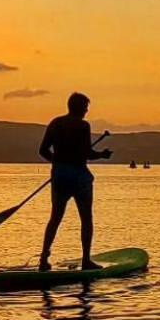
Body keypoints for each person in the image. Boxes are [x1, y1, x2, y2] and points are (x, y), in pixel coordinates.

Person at [38, 92, 112, 271]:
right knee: (86, 218)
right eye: (86, 107)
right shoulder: (82, 126)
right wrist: (102, 154)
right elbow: (87, 153)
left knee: (55, 217)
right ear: (79, 108)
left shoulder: (55, 123)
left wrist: (58, 163)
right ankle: (86, 260)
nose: (87, 110)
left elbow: (43, 150)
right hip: (79, 176)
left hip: (60, 175)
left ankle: (43, 259)